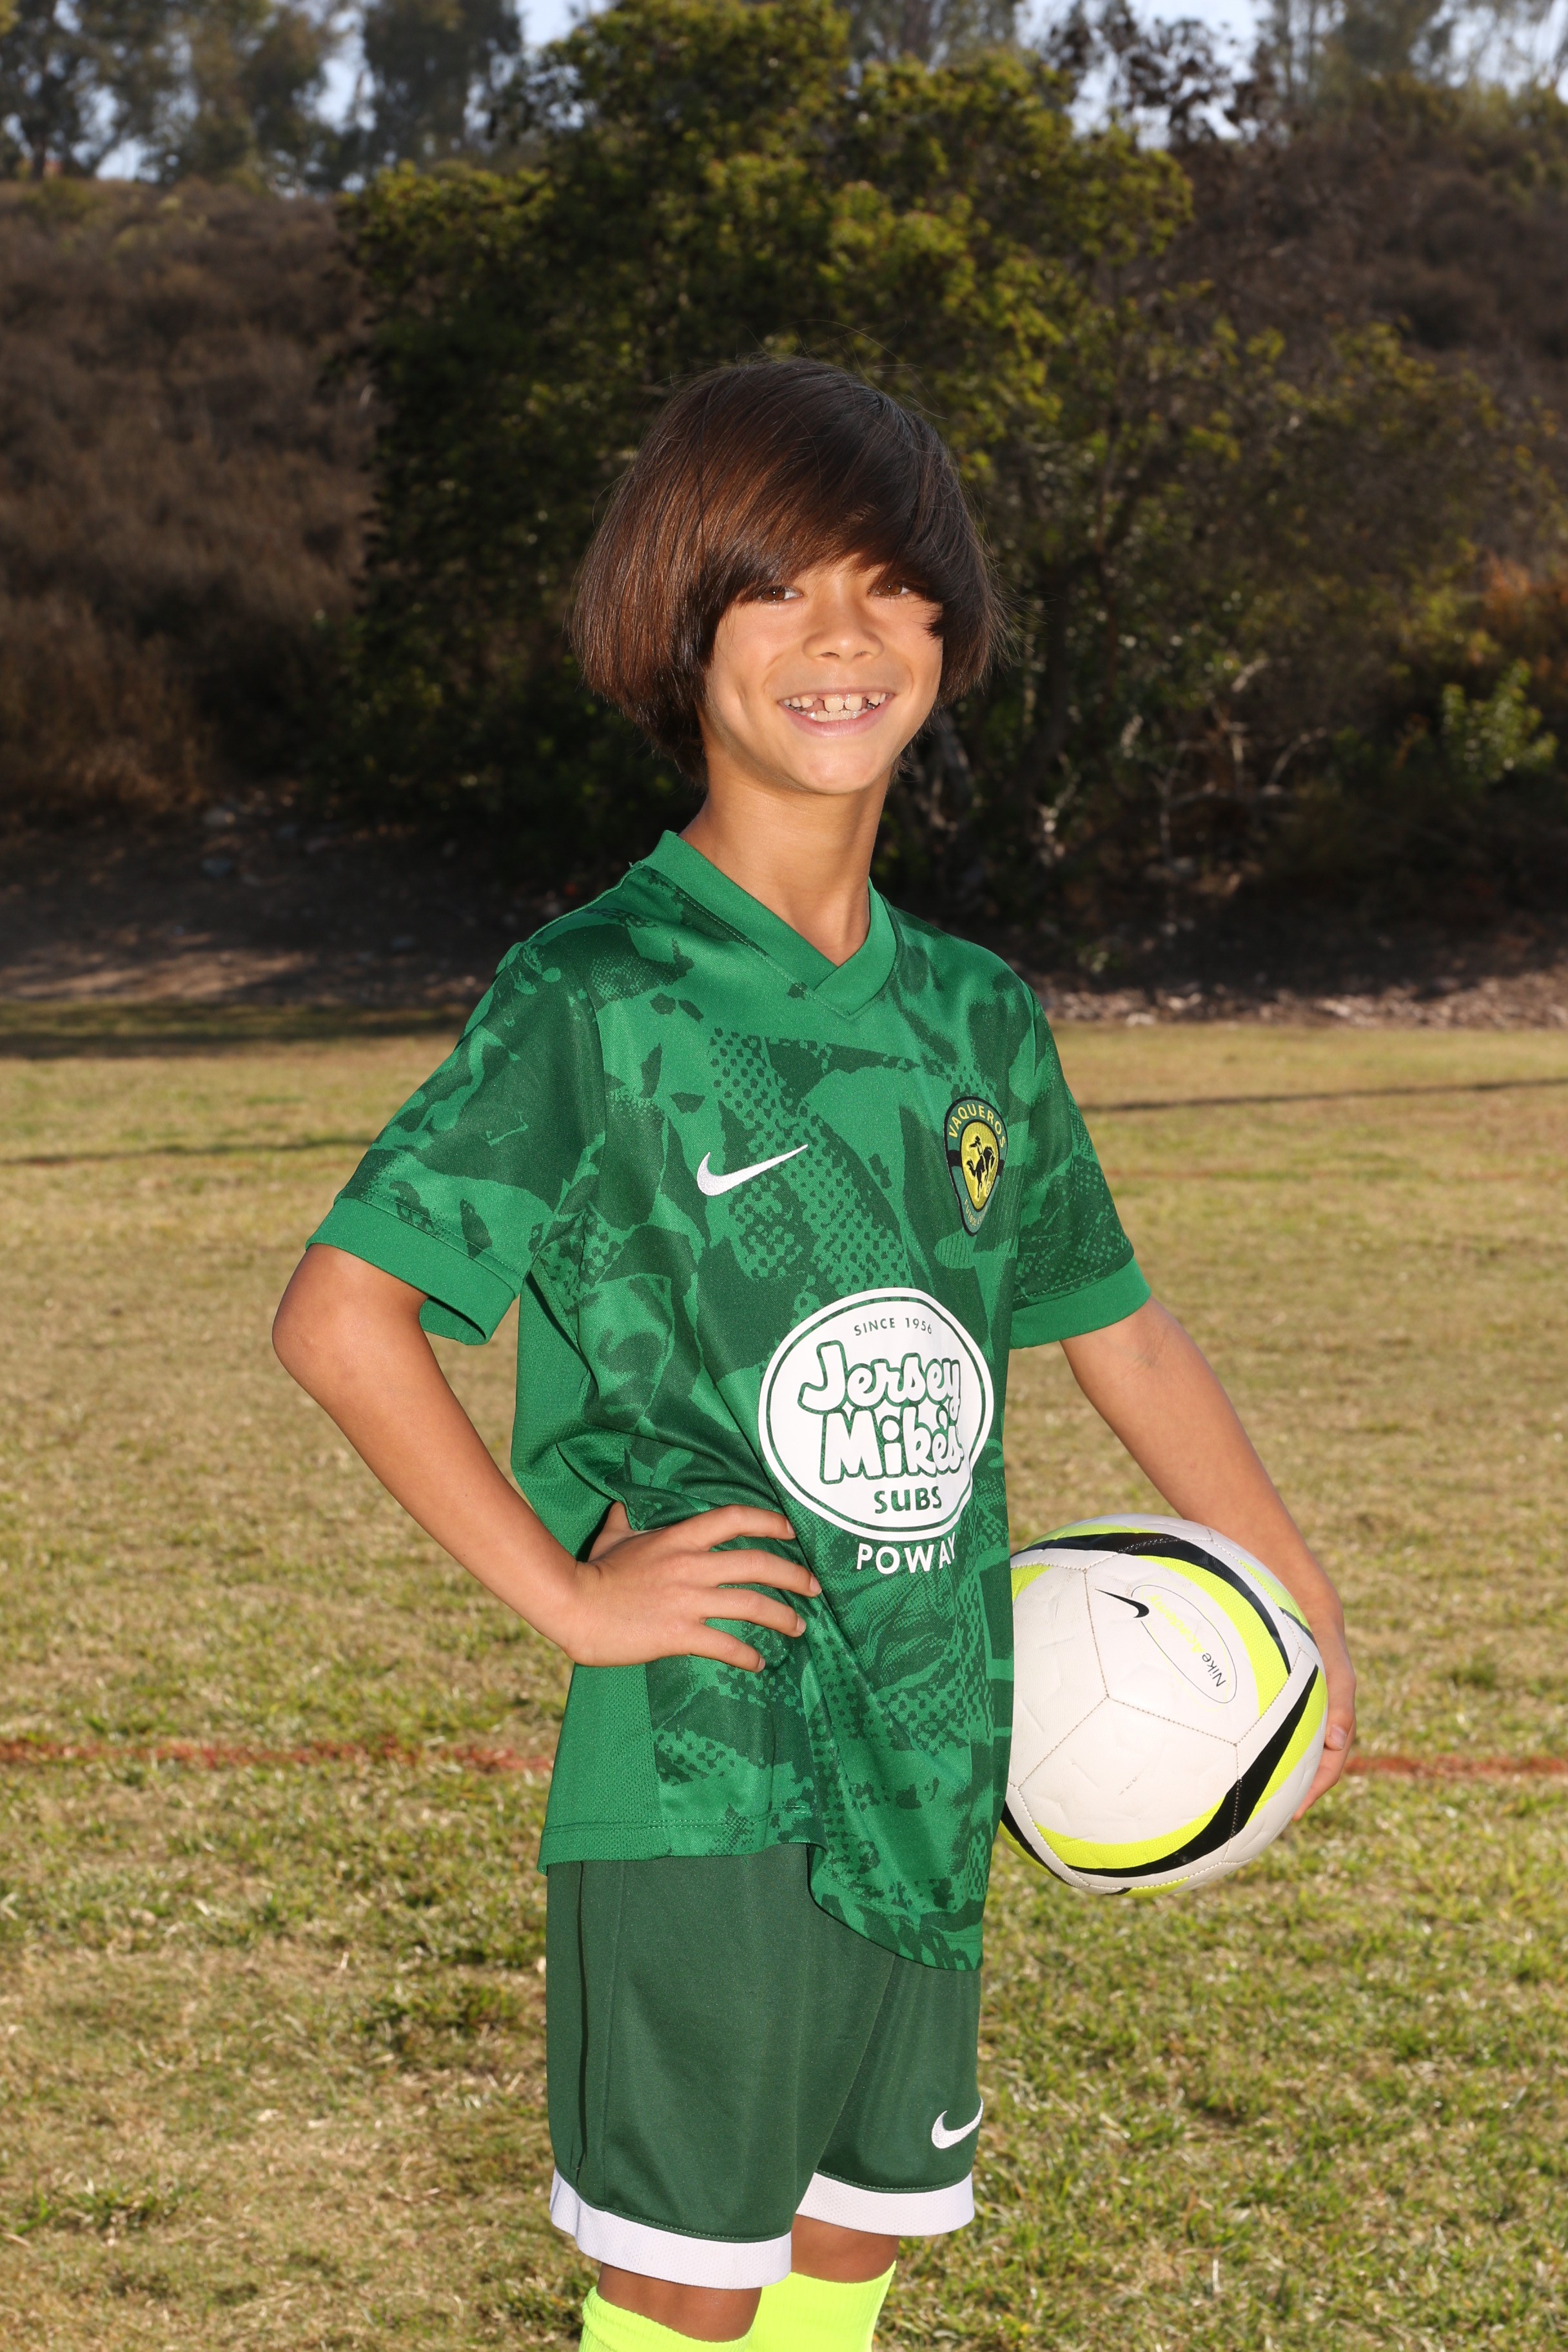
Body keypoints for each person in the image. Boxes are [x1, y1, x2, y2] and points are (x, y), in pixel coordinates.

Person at [273, 358, 1356, 2352]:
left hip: (933, 1745)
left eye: (888, 587)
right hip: (710, 1762)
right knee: (689, 2287)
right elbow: (344, 1316)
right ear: (681, 631)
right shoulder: (600, 994)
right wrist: (572, 1600)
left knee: (853, 2248)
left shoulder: (976, 1015)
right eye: (777, 588)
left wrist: (1296, 1604)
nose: (841, 639)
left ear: (950, 629)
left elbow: (1114, 1321)